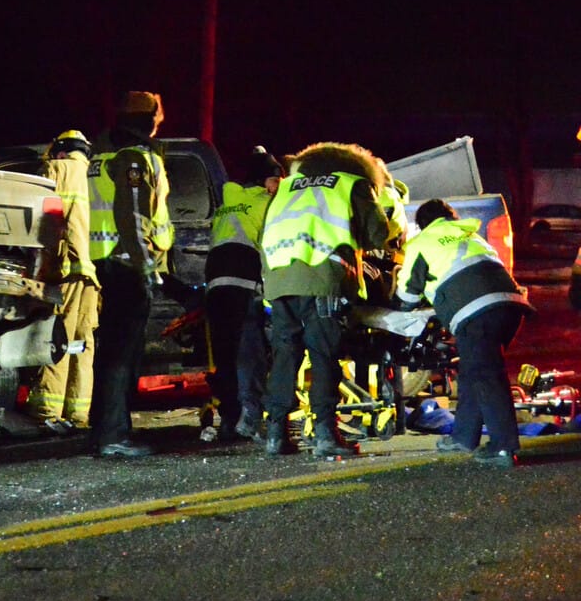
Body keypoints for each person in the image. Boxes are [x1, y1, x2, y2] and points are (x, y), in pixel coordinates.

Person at [258, 142, 391, 456]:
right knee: (323, 356)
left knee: (285, 354)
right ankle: (325, 436)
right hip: (322, 276)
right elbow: (377, 235)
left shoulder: (286, 188)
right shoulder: (351, 183)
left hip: (279, 278)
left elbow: (266, 231)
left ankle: (276, 434)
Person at [395, 198, 533, 468]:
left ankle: (503, 447)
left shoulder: (421, 243)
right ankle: (463, 437)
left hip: (477, 312)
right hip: (511, 308)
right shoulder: (472, 237)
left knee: (485, 375)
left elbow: (407, 295)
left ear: (421, 224)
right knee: (472, 370)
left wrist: (398, 304)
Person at [88, 91, 174, 457]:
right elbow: (132, 214)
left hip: (100, 261)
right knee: (122, 353)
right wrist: (145, 264)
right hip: (124, 263)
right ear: (152, 117)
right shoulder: (135, 157)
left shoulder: (98, 155)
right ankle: (114, 437)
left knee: (108, 352)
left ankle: (102, 431)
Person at [203, 145, 283, 442]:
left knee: (225, 354)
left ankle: (229, 418)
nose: (278, 186)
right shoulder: (268, 202)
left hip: (215, 277)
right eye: (275, 179)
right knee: (249, 350)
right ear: (266, 179)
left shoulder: (231, 195)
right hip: (243, 274)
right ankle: (250, 416)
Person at [25, 130, 101, 434]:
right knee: (81, 345)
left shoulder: (58, 169)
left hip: (66, 270)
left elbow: (45, 219)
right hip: (90, 276)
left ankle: (46, 411)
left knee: (57, 340)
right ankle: (78, 413)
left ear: (60, 151)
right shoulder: (96, 177)